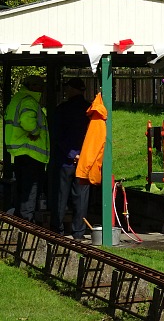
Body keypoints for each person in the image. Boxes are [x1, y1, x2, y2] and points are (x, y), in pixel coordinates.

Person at [49, 77, 91, 240]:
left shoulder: (62, 110)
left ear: (73, 90)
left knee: (61, 196)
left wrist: (71, 154)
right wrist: (83, 155)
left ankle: (57, 230)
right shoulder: (90, 110)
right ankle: (79, 232)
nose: (66, 91)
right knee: (81, 197)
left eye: (68, 88)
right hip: (84, 161)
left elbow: (57, 135)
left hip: (65, 160)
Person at [4, 75, 49, 222]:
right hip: (31, 152)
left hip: (20, 152)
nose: (42, 88)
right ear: (33, 86)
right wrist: (35, 132)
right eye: (40, 86)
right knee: (31, 189)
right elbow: (27, 121)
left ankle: (20, 219)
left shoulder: (17, 98)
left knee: (22, 187)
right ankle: (27, 222)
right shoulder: (28, 100)